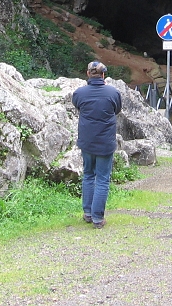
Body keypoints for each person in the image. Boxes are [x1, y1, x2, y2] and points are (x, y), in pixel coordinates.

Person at [72, 61, 122, 228]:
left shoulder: (79, 93)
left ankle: (87, 213)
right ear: (103, 75)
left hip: (86, 142)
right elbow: (117, 109)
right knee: (102, 179)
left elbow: (77, 106)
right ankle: (97, 218)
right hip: (105, 142)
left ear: (88, 74)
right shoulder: (113, 92)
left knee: (88, 175)